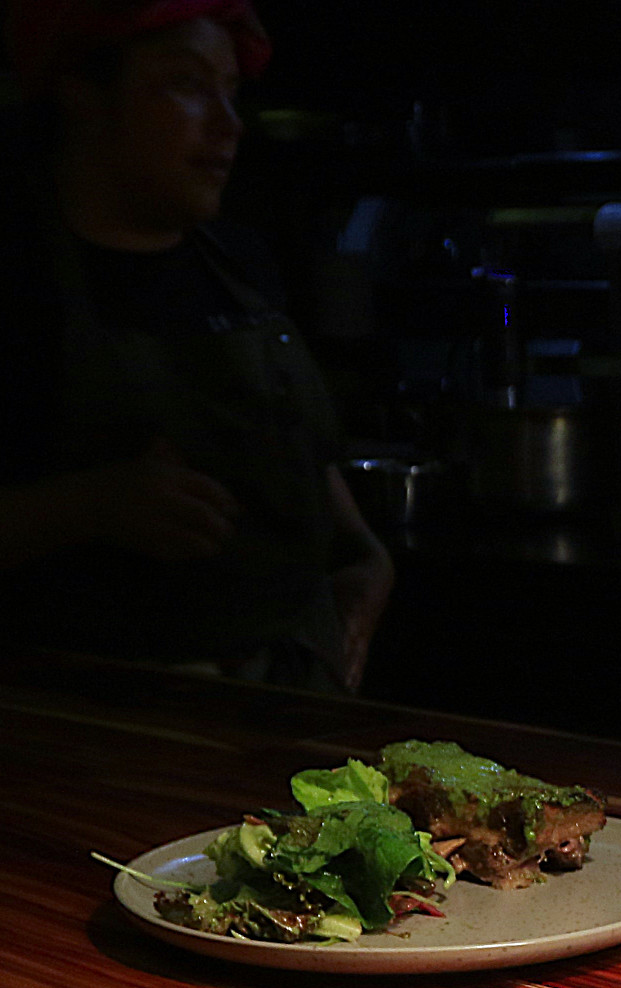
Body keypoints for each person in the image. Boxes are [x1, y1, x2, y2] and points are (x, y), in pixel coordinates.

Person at [0, 0, 392, 691]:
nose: (228, 125)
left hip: (287, 707)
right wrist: (87, 506)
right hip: (96, 730)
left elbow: (311, 472)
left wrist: (367, 566)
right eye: (185, 85)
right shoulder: (24, 275)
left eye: (231, 92)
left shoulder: (240, 267)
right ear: (81, 90)